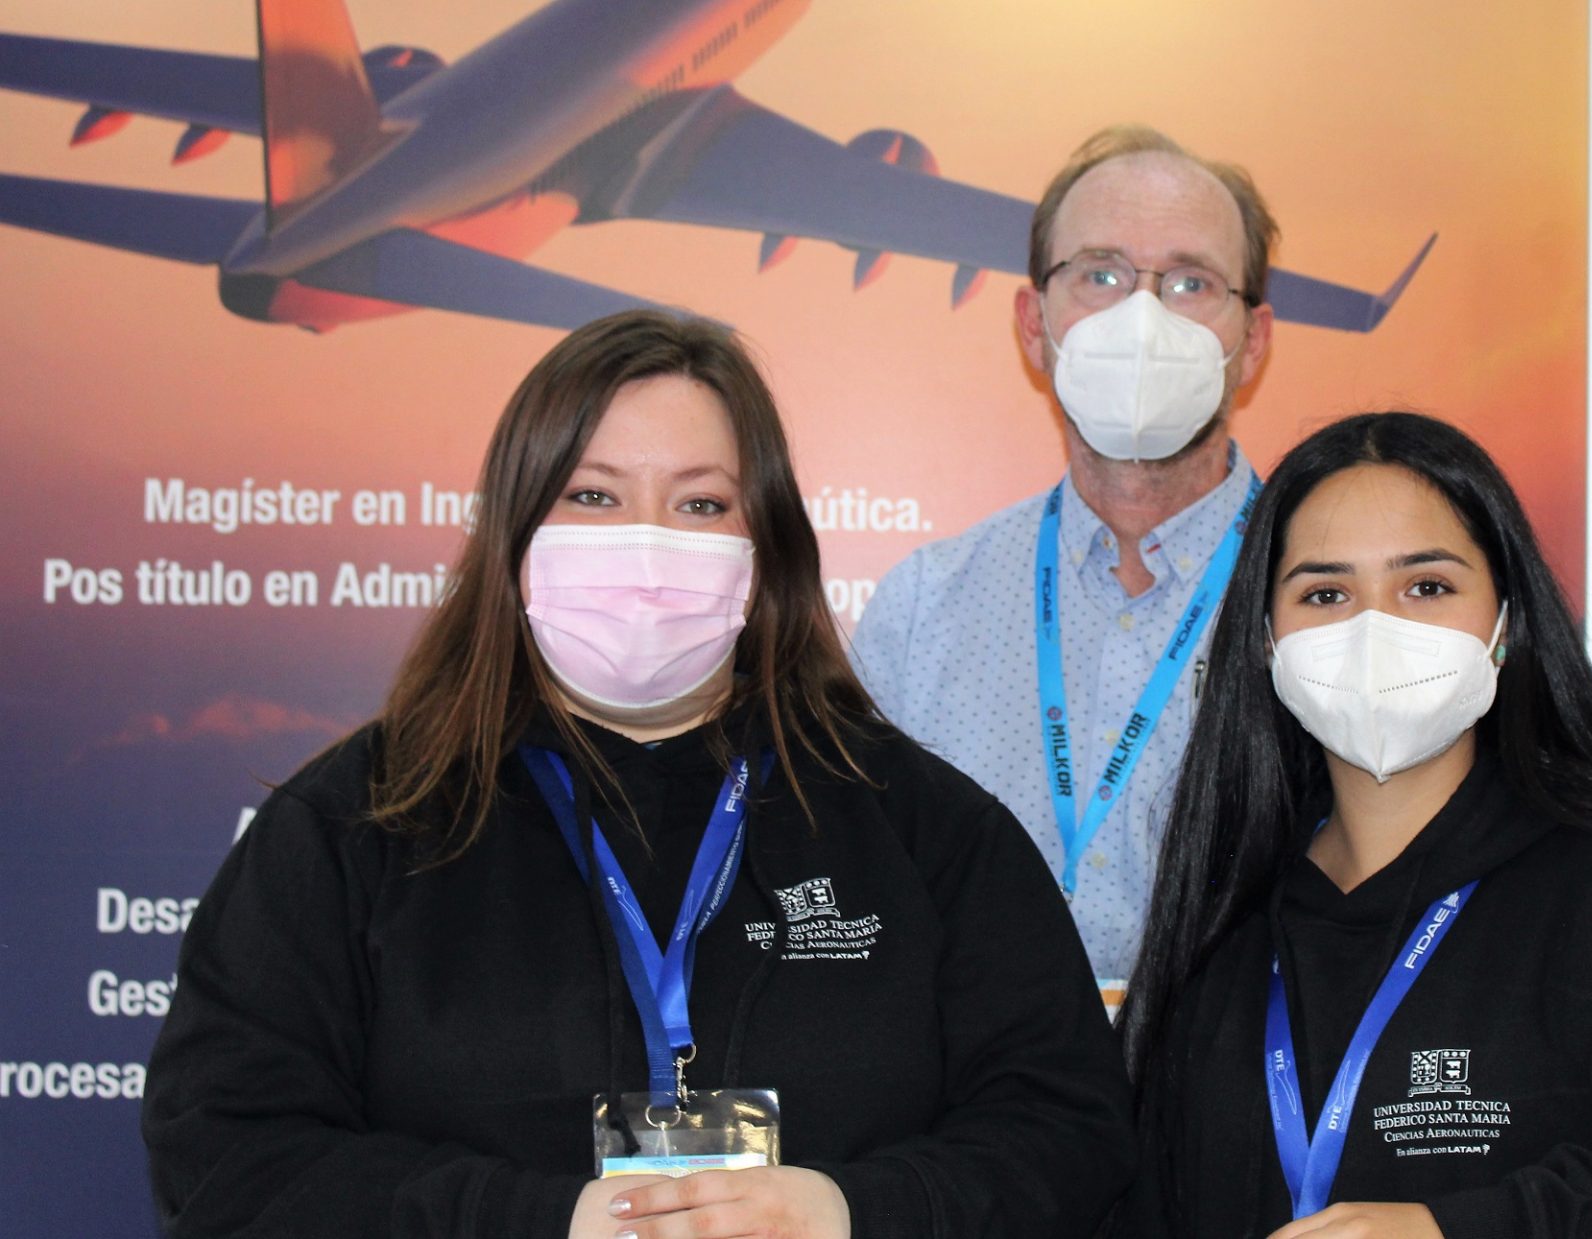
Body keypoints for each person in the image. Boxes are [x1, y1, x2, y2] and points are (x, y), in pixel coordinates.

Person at [142, 310, 1134, 1239]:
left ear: (765, 548)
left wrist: (851, 1213)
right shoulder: (357, 824)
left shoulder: (922, 827)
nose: (649, 545)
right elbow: (227, 1151)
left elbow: (1067, 1130)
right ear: (515, 532)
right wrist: (543, 1223)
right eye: (593, 496)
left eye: (701, 503)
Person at [1113, 412, 1592, 1237]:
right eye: (1326, 594)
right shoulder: (1223, 906)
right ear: (1267, 640)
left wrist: (1454, 1229)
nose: (1374, 629)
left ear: (1506, 623)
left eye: (1426, 586)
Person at [852, 125, 1276, 986]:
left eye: (1191, 282)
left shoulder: (1325, 599)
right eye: (1101, 275)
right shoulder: (922, 612)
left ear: (1253, 342)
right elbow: (863, 904)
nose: (1142, 319)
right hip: (990, 1071)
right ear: (1033, 326)